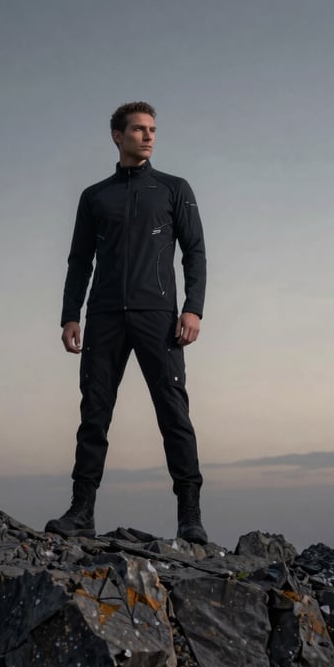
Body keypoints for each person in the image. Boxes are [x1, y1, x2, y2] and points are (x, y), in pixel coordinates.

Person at [45, 101, 208, 544]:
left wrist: (193, 307)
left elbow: (194, 251)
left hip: (159, 316)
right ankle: (82, 512)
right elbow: (79, 260)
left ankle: (189, 517)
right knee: (93, 414)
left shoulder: (174, 189)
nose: (148, 136)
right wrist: (69, 315)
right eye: (138, 129)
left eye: (153, 129)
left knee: (174, 414)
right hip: (103, 318)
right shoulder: (95, 196)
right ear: (117, 136)